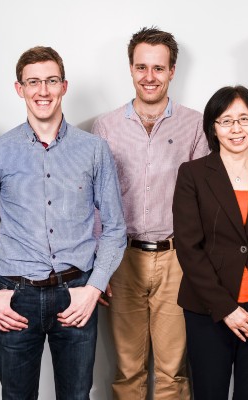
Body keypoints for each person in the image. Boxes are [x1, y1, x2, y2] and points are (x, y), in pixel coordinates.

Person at [0, 46, 126, 399]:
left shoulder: (94, 150)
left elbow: (114, 228)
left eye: (51, 81)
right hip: (15, 297)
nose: (43, 91)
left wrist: (94, 288)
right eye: (33, 82)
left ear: (64, 86)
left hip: (77, 294)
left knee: (76, 395)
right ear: (19, 89)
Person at [91, 27, 209, 400]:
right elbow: (95, 199)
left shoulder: (195, 124)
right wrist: (100, 267)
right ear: (130, 69)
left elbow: (205, 198)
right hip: (121, 257)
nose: (149, 77)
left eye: (158, 68)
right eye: (141, 67)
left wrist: (198, 263)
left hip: (177, 259)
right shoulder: (106, 126)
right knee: (128, 368)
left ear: (172, 70)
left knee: (173, 369)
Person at [173, 85, 248, 400]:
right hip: (208, 309)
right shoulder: (193, 174)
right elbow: (189, 248)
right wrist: (226, 308)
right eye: (226, 121)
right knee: (209, 393)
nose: (236, 129)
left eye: (245, 119)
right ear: (213, 127)